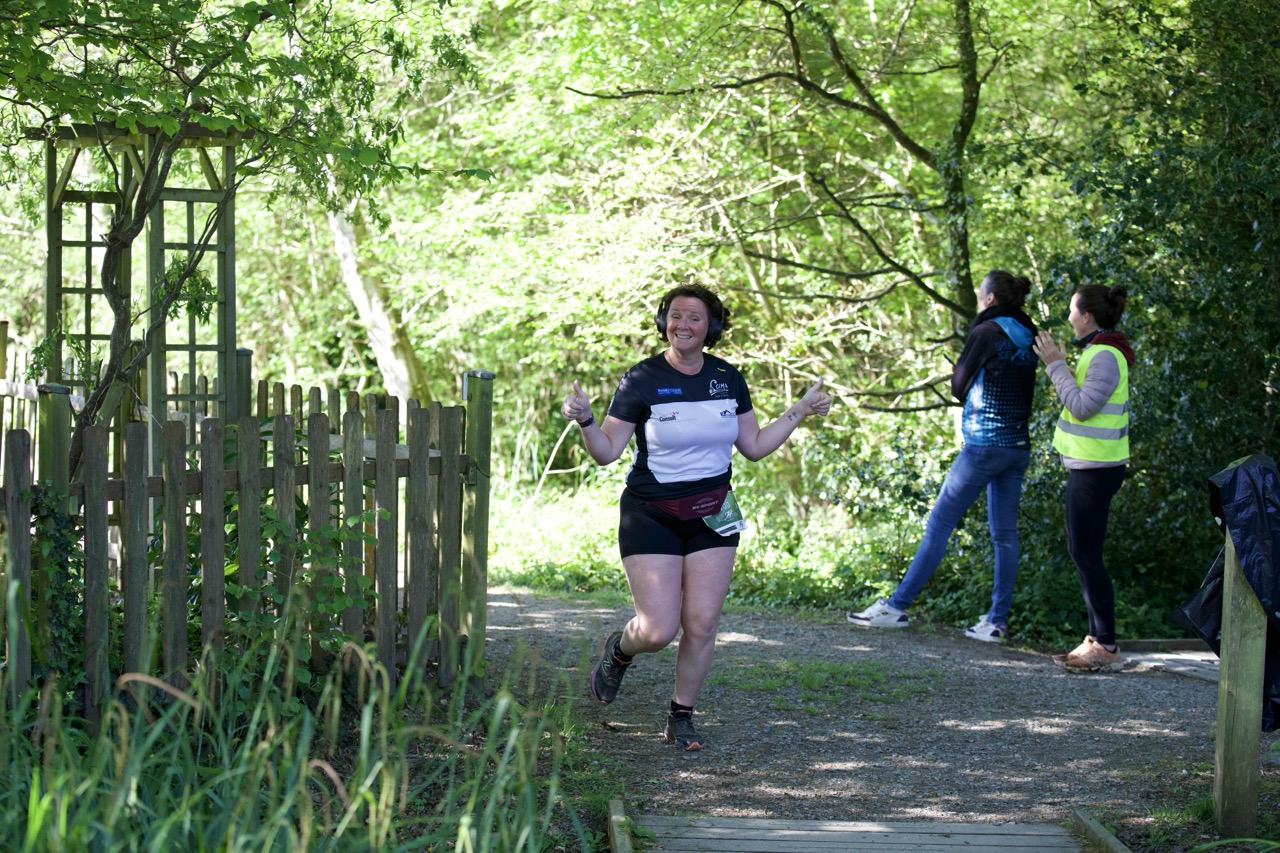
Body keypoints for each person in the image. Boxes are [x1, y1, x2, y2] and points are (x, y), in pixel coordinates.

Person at [561, 284, 831, 751]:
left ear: (712, 328)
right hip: (651, 513)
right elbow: (606, 453)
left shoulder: (728, 378)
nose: (682, 325)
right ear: (663, 322)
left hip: (714, 511)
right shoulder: (641, 379)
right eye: (675, 316)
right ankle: (620, 649)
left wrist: (801, 409)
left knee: (702, 624)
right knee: (657, 631)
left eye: (694, 318)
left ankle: (680, 716)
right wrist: (585, 420)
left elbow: (754, 446)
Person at [847, 270, 1038, 642]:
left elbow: (958, 387)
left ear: (990, 299)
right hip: (1017, 445)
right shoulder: (1029, 335)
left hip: (983, 444)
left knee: (939, 524)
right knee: (1005, 536)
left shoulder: (986, 332)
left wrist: (960, 374)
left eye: (981, 293)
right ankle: (996, 622)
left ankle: (896, 606)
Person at [1031, 284, 1133, 673]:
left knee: (1086, 554)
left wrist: (1055, 364)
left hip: (1097, 468)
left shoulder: (1105, 355)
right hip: (1091, 466)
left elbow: (1082, 406)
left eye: (1072, 310)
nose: (1069, 317)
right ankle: (1096, 640)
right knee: (1083, 552)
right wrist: (1064, 367)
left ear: (1087, 316)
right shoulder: (1098, 351)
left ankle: (1105, 644)